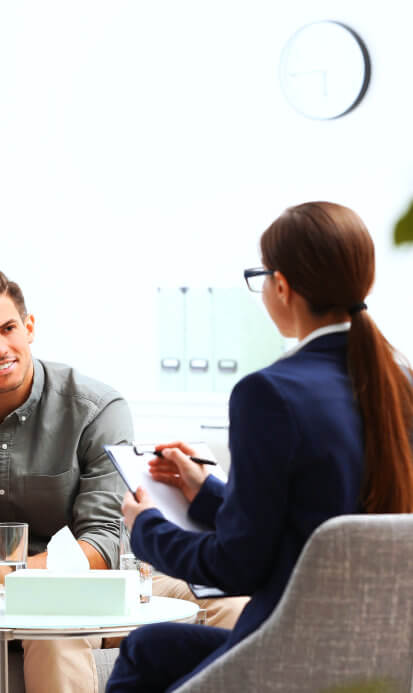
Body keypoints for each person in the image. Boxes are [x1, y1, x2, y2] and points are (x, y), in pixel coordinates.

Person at [107, 201, 413, 692]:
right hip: (381, 664)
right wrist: (206, 490)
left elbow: (237, 566)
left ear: (283, 285)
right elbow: (307, 522)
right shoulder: (400, 385)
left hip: (285, 658)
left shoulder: (270, 393)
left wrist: (146, 528)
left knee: (145, 650)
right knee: (151, 649)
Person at [0, 265, 248, 693]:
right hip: (6, 605)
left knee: (234, 606)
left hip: (106, 583)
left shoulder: (96, 409)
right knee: (52, 635)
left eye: (8, 328)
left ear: (29, 328)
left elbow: (104, 543)